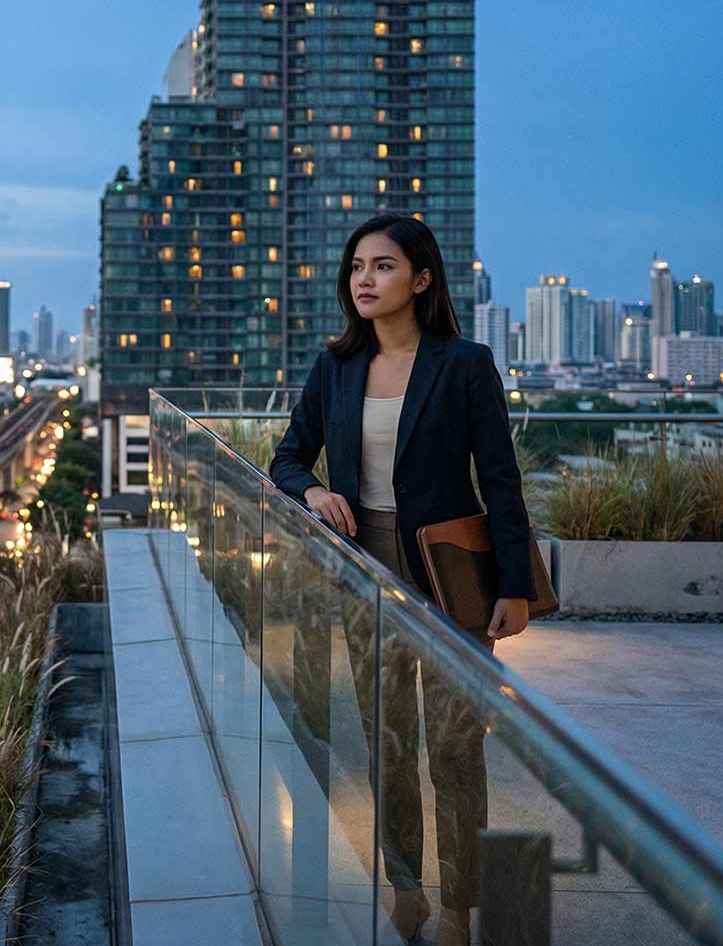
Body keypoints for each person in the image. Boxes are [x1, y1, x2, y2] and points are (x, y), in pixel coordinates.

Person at [268, 212, 535, 946]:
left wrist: (514, 586)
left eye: (382, 266)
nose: (364, 279)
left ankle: (460, 907)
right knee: (387, 741)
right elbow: (286, 458)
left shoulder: (464, 364)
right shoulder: (336, 367)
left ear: (421, 279)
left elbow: (502, 483)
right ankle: (407, 891)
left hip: (451, 577)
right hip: (365, 569)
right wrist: (313, 490)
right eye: (356, 267)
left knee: (454, 748)